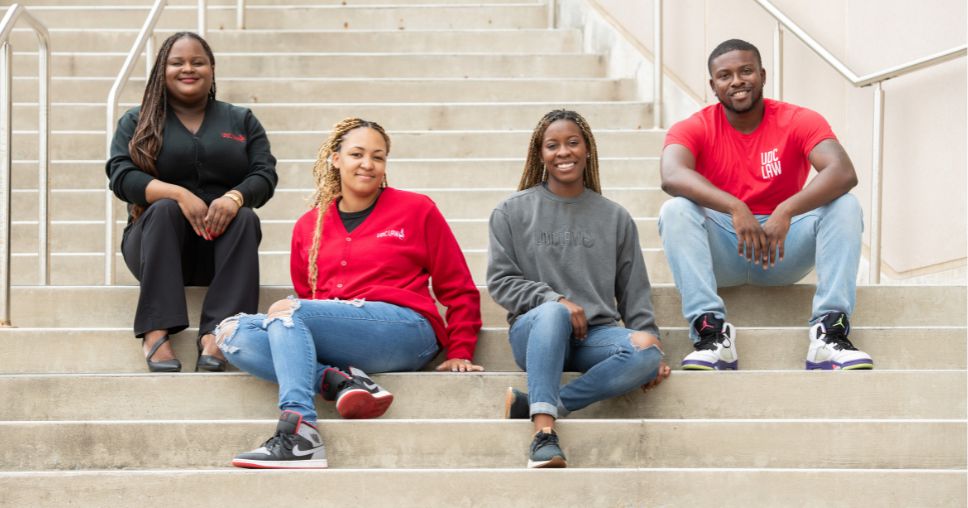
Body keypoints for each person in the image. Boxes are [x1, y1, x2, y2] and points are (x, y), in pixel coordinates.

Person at [216, 118, 483, 469]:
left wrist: (460, 349)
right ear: (335, 159)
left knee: (288, 311)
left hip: (406, 329)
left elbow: (458, 286)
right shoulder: (309, 226)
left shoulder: (417, 210)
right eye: (357, 154)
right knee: (232, 332)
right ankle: (335, 381)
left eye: (378, 156)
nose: (368, 164)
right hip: (342, 335)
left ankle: (299, 431)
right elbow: (306, 297)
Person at [658, 38, 872, 371]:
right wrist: (735, 207)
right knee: (675, 210)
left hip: (782, 249)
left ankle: (829, 333)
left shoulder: (798, 120)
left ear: (763, 74)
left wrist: (786, 210)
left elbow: (842, 171)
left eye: (746, 71)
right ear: (713, 85)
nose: (737, 81)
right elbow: (671, 174)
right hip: (725, 250)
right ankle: (711, 334)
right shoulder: (696, 126)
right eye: (725, 75)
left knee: (844, 205)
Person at [487, 109, 671, 469]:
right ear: (540, 154)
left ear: (588, 149)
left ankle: (543, 402)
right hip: (534, 332)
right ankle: (543, 435)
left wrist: (650, 339)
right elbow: (500, 281)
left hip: (594, 339)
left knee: (647, 352)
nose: (563, 152)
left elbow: (634, 291)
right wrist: (553, 300)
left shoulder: (615, 217)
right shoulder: (511, 212)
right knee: (553, 313)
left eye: (573, 143)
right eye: (552, 145)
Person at [106, 32, 278, 373]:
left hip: (219, 250)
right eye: (177, 62)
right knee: (166, 208)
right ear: (161, 70)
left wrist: (235, 196)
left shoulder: (240, 120)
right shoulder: (136, 121)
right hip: (154, 245)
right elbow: (120, 175)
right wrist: (178, 193)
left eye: (198, 62)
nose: (188, 68)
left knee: (244, 218)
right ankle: (156, 329)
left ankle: (219, 333)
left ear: (211, 69)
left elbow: (265, 174)